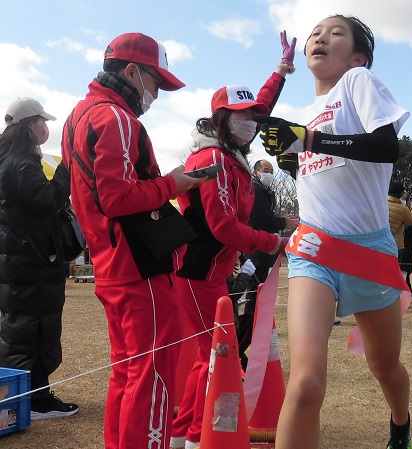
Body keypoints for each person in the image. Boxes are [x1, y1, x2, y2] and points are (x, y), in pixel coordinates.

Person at [253, 15, 412, 449]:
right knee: (305, 384)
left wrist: (310, 141)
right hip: (313, 252)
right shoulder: (303, 117)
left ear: (358, 56)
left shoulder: (358, 82)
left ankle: (401, 425)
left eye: (336, 33)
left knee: (384, 366)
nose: (321, 37)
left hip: (368, 253)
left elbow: (385, 148)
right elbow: (314, 169)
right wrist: (291, 155)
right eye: (315, 34)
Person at [61, 33, 205, 449]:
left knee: (127, 372)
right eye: (156, 82)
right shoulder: (118, 119)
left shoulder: (78, 116)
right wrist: (172, 183)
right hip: (139, 265)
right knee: (154, 376)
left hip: (110, 264)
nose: (156, 94)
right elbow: (117, 197)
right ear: (130, 72)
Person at [171, 32, 296, 449]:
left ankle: (183, 434)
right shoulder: (212, 161)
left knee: (209, 357)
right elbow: (223, 226)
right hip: (196, 272)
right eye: (240, 116)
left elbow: (260, 106)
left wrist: (280, 71)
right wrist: (271, 241)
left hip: (212, 272)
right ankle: (193, 435)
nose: (251, 123)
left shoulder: (229, 154)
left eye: (252, 118)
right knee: (217, 358)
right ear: (221, 119)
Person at [0, 97, 79, 420]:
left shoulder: (13, 161)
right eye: (41, 122)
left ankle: (32, 397)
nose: (45, 128)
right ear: (29, 126)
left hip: (23, 261)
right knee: (31, 332)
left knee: (28, 329)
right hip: (30, 263)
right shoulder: (19, 164)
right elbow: (47, 200)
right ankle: (33, 400)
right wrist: (66, 169)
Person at [239, 157, 298, 371]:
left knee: (256, 295)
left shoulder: (264, 190)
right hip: (257, 250)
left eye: (271, 170)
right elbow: (262, 218)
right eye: (265, 169)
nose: (269, 173)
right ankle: (242, 341)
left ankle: (247, 336)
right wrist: (283, 221)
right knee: (254, 296)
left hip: (261, 250)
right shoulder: (256, 190)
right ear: (255, 172)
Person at [387, 181, 412, 296]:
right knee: (397, 272)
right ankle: (398, 296)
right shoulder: (401, 208)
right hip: (395, 244)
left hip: (378, 242)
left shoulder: (380, 204)